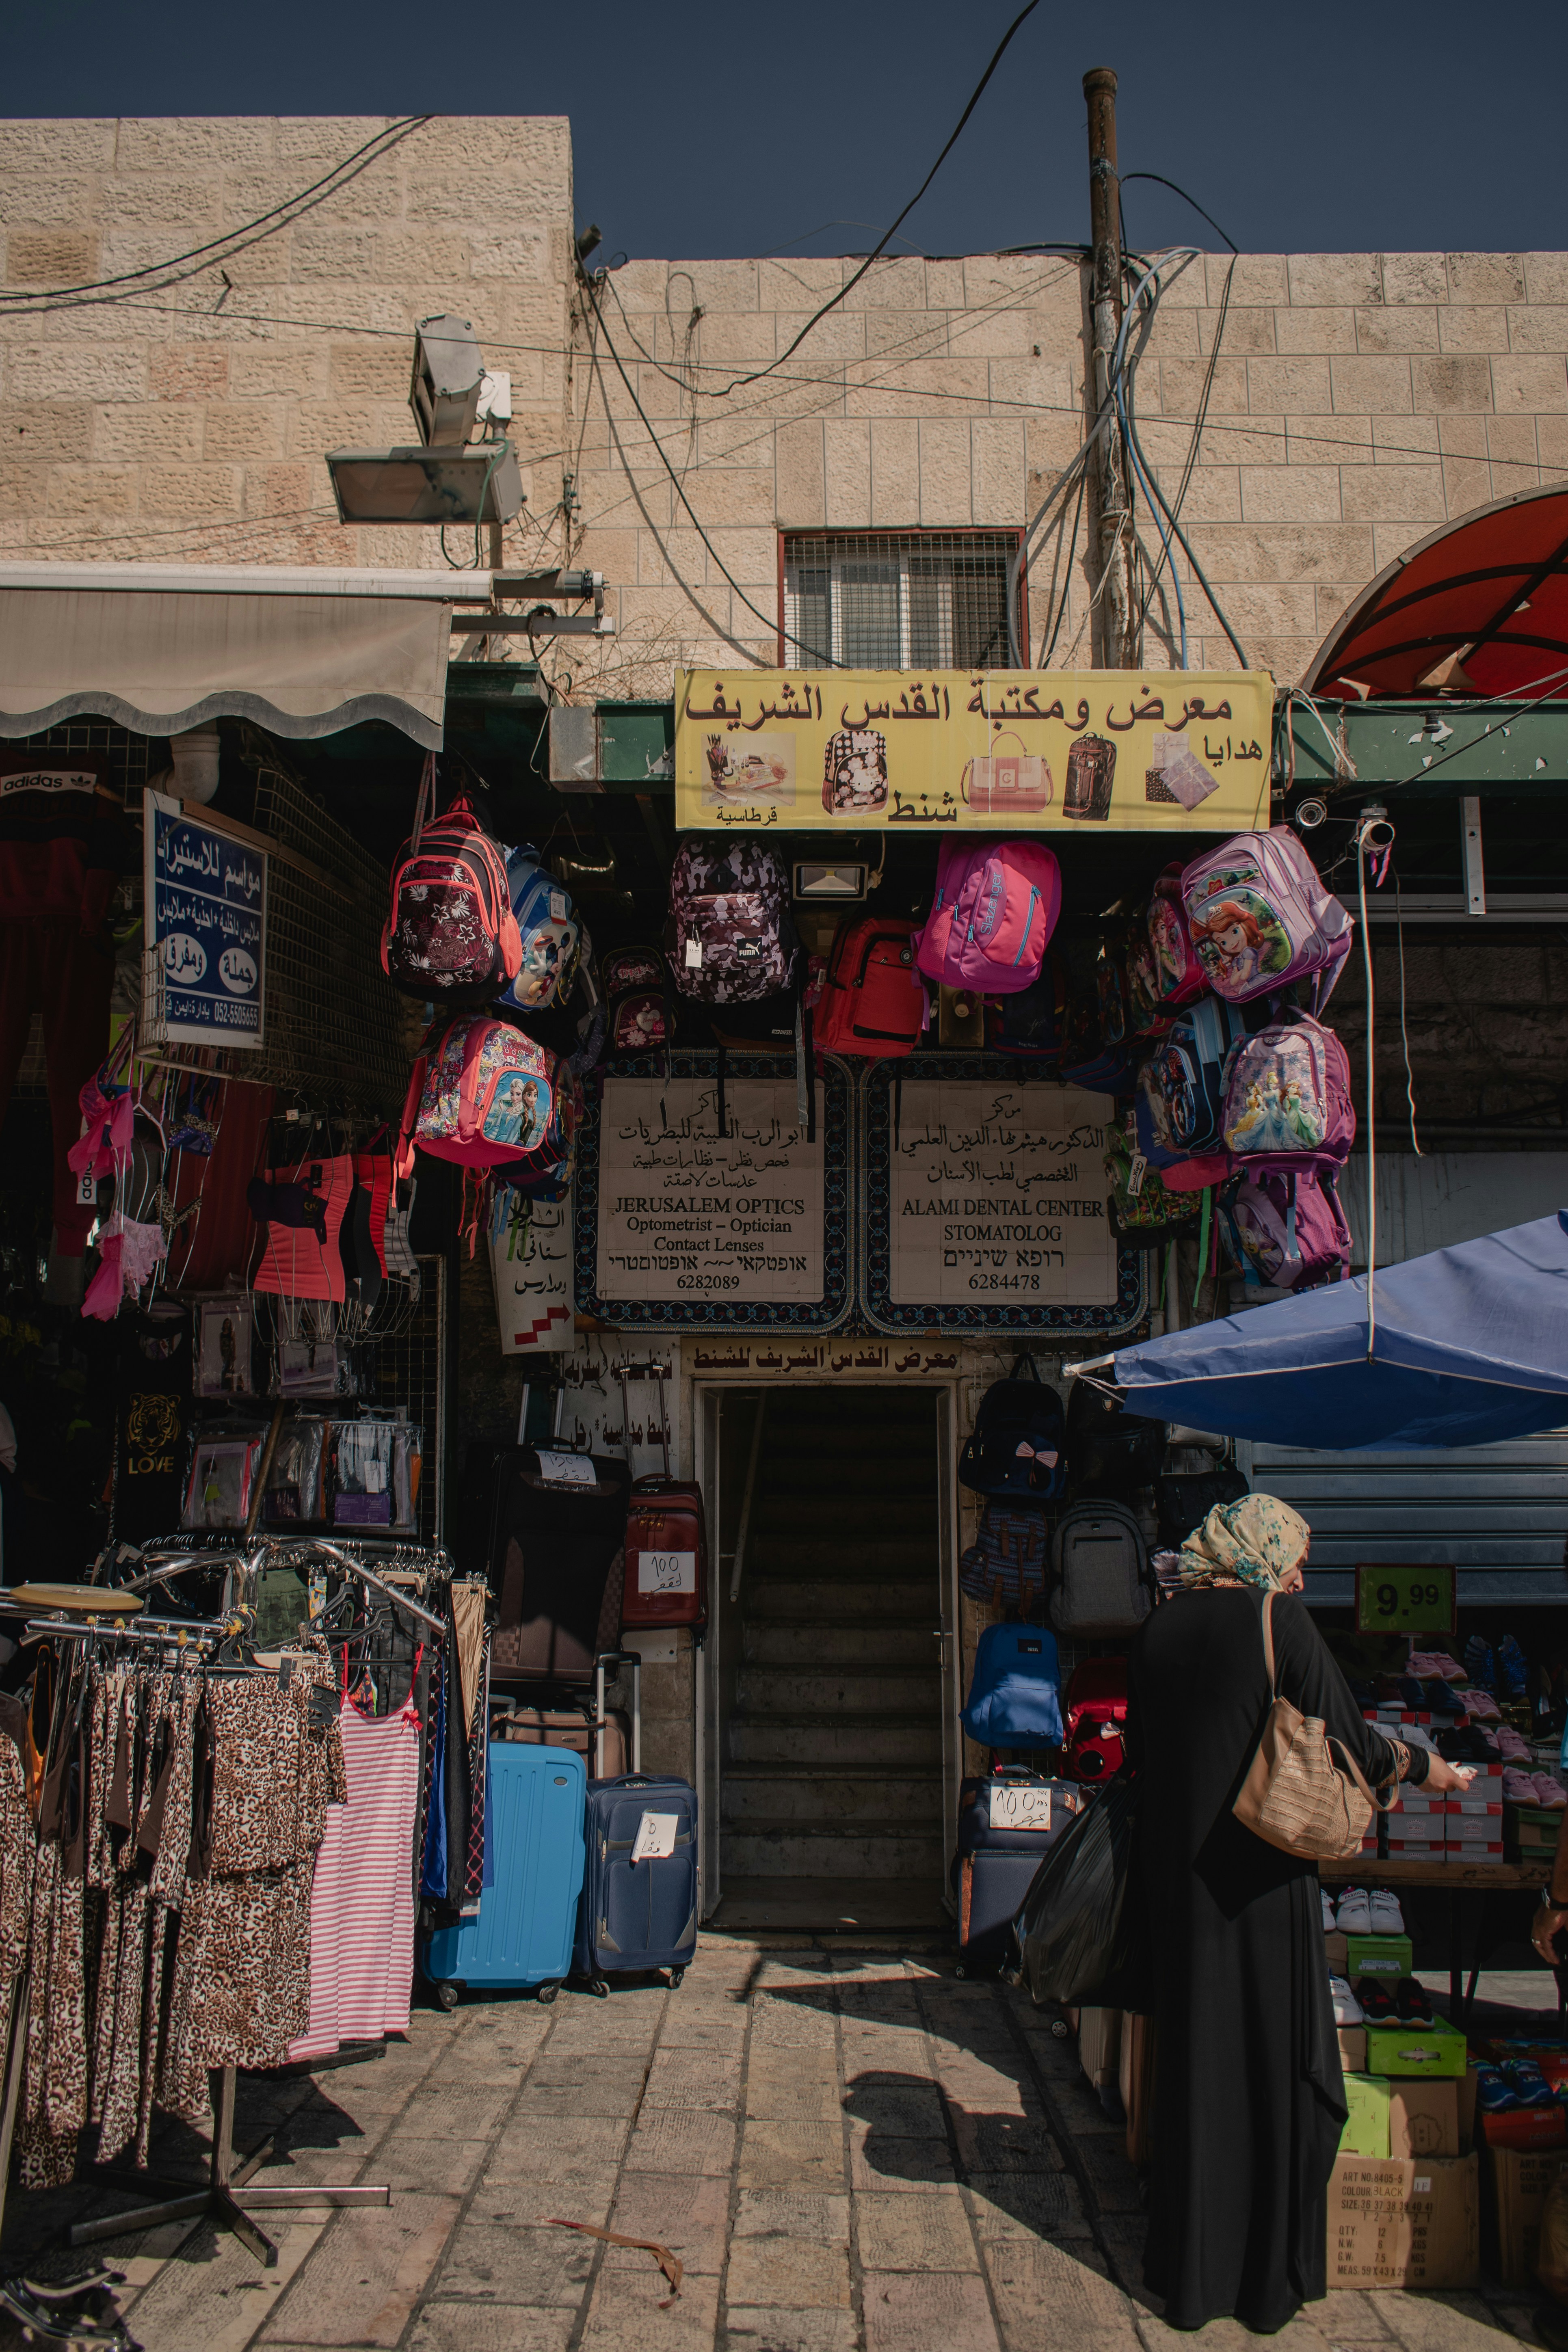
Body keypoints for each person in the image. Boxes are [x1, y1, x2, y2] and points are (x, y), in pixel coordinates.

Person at [1127, 1494, 1474, 2334]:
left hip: (1175, 1888)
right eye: (1296, 1559)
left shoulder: (1158, 1626)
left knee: (1195, 2072)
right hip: (1259, 1886)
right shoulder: (1273, 1621)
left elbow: (1146, 1752)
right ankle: (1259, 2283)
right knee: (1271, 2070)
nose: (1300, 1577)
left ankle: (1189, 2276)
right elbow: (1348, 1738)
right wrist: (1425, 1767)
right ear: (1262, 1550)